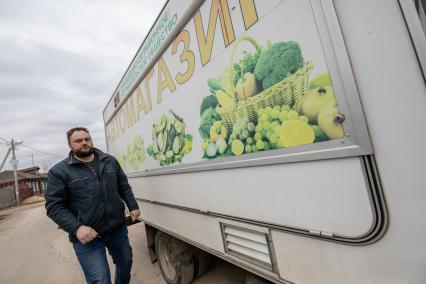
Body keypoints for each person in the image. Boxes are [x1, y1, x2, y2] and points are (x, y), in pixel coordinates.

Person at [45, 127, 140, 284]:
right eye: (78, 140)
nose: (84, 143)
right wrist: (77, 228)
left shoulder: (110, 161)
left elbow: (123, 186)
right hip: (87, 236)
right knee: (100, 279)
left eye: (87, 139)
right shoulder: (59, 171)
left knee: (126, 263)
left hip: (117, 228)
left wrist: (133, 205)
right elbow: (54, 207)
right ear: (69, 145)